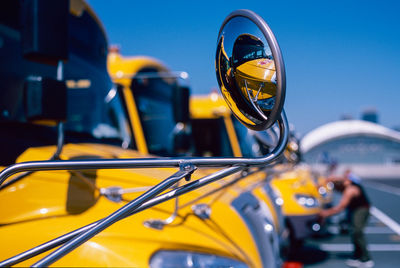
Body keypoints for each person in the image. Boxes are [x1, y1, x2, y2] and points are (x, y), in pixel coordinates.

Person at [319, 170, 374, 268]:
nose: (336, 191)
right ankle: (357, 256)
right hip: (353, 208)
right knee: (353, 232)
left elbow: (340, 208)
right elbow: (333, 179)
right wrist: (323, 182)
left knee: (357, 231)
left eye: (336, 189)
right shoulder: (345, 181)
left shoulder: (350, 190)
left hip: (361, 209)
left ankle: (366, 259)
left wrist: (325, 214)